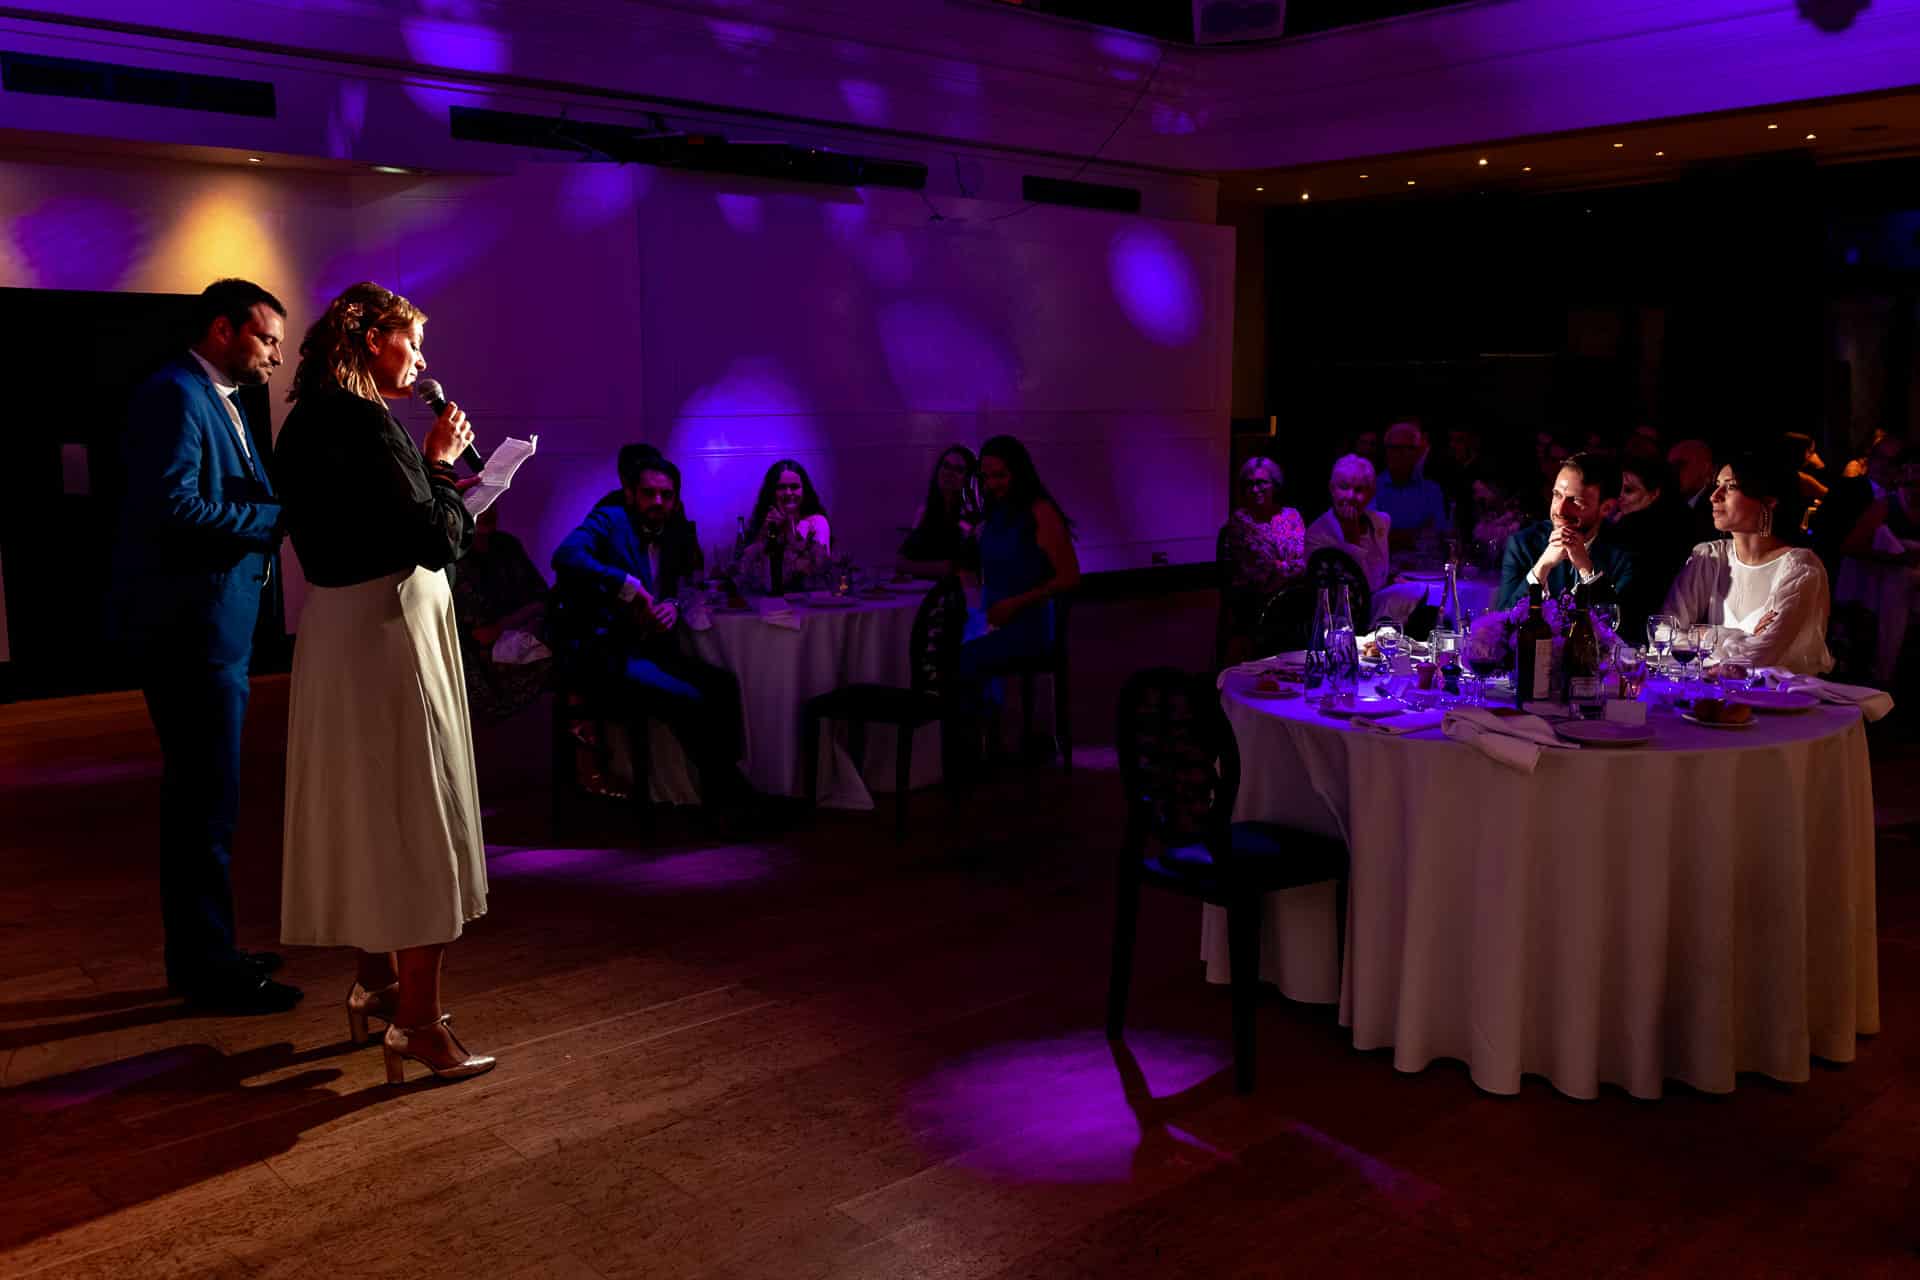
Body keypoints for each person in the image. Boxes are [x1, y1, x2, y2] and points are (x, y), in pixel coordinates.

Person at [275, 281, 492, 1083]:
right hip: (391, 638)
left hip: (340, 634)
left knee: (366, 808)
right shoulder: (368, 423)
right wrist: (440, 465)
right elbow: (432, 540)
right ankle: (420, 1023)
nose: (422, 358)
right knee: (415, 814)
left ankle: (376, 983)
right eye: (413, 340)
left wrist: (431, 478)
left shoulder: (304, 420)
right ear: (372, 338)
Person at [112, 278, 298, 1014]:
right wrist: (275, 517)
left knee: (209, 801)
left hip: (211, 627)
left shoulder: (215, 396)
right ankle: (207, 968)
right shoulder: (177, 393)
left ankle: (208, 953)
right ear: (224, 329)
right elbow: (173, 505)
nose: (277, 354)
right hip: (191, 631)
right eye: (267, 339)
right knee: (203, 804)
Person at [552, 446, 754, 818]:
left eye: (666, 495)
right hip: (607, 654)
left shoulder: (675, 530)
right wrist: (624, 583)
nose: (657, 501)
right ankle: (726, 797)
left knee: (723, 685)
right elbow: (565, 556)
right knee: (689, 698)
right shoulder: (610, 519)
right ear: (631, 494)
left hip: (649, 649)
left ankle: (727, 782)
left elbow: (685, 582)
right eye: (648, 493)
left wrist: (672, 605)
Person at [1663, 450, 1834, 675]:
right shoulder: (1710, 557)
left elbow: (1759, 657)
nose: (1714, 496)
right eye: (1717, 485)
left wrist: (1703, 634)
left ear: (1769, 501)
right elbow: (1664, 634)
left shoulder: (1800, 568)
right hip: (1713, 689)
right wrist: (1738, 637)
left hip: (1774, 695)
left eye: (1731, 487)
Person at [959, 434, 1080, 681]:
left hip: (1027, 622)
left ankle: (970, 704)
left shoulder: (1040, 510)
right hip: (992, 618)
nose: (991, 484)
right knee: (941, 645)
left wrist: (1014, 604)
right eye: (985, 477)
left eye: (1000, 475)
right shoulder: (996, 511)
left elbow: (1069, 576)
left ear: (1018, 472)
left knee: (962, 658)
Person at [1493, 451, 1637, 611]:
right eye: (1557, 495)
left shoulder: (1625, 554)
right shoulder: (1523, 544)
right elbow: (1501, 620)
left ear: (1606, 508)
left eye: (1576, 501)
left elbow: (1619, 623)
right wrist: (1541, 568)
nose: (1560, 510)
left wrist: (1587, 571)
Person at [451, 505, 553, 725]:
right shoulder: (456, 559)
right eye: (481, 504)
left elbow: (541, 598)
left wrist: (515, 622)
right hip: (478, 660)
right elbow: (481, 633)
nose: (487, 511)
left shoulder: (507, 546)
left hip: (519, 637)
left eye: (492, 503)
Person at [1608, 455, 1694, 633]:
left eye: (1629, 490)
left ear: (1654, 494)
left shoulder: (1636, 531)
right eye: (1618, 489)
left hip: (1640, 626)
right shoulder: (1623, 524)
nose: (1620, 497)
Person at [739, 459, 830, 592]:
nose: (788, 493)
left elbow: (817, 572)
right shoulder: (764, 522)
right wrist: (763, 534)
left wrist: (787, 530)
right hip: (766, 601)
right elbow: (743, 574)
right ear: (772, 491)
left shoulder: (816, 522)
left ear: (804, 490)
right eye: (781, 487)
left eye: (794, 487)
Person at [1303, 454, 1391, 593]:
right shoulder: (1316, 535)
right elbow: (1354, 588)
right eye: (1344, 487)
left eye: (1359, 489)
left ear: (1371, 493)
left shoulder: (1381, 521)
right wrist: (1352, 539)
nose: (1350, 496)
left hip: (1381, 598)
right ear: (1332, 489)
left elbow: (1380, 575)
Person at [897, 445, 981, 579]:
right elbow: (901, 561)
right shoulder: (925, 511)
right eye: (946, 466)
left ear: (969, 479)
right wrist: (936, 568)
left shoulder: (972, 517)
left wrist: (919, 567)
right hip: (921, 588)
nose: (949, 473)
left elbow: (963, 567)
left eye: (958, 470)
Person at [1375, 421, 1449, 550]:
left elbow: (1438, 535)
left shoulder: (1432, 490)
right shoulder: (1372, 488)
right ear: (1386, 451)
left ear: (1418, 453)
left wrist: (1392, 534)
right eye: (1395, 448)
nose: (1401, 454)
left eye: (1409, 448)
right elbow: (1370, 537)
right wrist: (1414, 535)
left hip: (1423, 561)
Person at [1668, 438, 1720, 546]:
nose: (1673, 472)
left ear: (1705, 468)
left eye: (1680, 465)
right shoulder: (1669, 505)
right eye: (1670, 467)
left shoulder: (1717, 508)